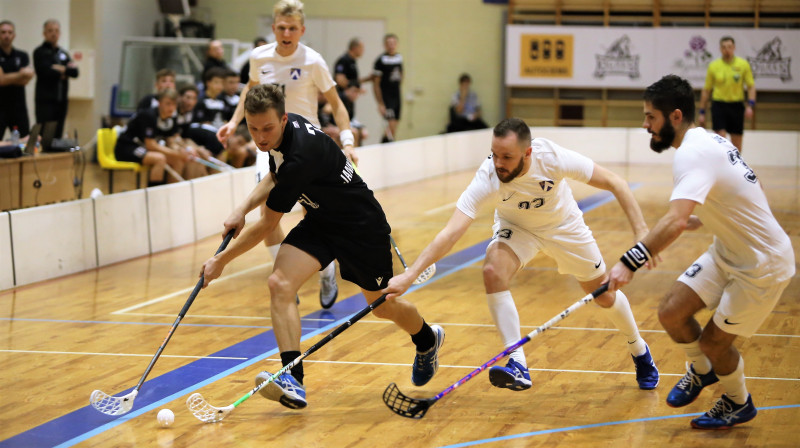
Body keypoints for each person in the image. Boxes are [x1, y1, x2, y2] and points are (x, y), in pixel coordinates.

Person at [200, 84, 444, 409]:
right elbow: (274, 175)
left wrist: (221, 261)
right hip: (321, 221)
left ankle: (428, 339)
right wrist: (239, 209)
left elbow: (268, 225)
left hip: (360, 228)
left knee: (383, 306)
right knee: (279, 283)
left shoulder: (302, 155)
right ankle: (293, 380)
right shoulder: (281, 136)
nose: (260, 137)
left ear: (283, 119)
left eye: (267, 128)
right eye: (254, 128)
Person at [383, 117, 659, 393]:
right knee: (492, 272)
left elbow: (615, 182)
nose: (498, 163)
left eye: (507, 157)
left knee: (604, 295)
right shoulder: (489, 175)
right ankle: (517, 363)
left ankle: (639, 350)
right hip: (516, 229)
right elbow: (451, 231)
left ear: (527, 153)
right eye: (495, 154)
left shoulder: (551, 158)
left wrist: (642, 233)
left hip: (564, 227)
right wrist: (411, 274)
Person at [608, 74, 794, 430]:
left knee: (713, 342)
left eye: (651, 117)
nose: (645, 125)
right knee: (671, 313)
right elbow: (734, 192)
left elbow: (675, 220)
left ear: (675, 116)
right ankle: (703, 372)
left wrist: (628, 262)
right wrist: (710, 217)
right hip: (727, 251)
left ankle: (737, 402)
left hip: (762, 266)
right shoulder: (707, 140)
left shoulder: (693, 152)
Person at [216, 0, 359, 310]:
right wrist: (233, 121)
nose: (286, 33)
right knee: (267, 218)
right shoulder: (259, 57)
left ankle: (327, 272)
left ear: (301, 30)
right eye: (281, 27)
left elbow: (336, 103)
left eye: (292, 28)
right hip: (269, 145)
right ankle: (285, 278)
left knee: (314, 215)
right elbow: (250, 93)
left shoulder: (313, 61)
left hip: (307, 148)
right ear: (273, 28)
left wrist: (347, 141)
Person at [114, 88, 192, 186]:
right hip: (127, 147)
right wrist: (176, 153)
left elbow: (171, 139)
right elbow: (151, 145)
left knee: (177, 161)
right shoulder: (149, 115)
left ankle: (171, 195)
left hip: (143, 147)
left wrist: (182, 150)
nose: (171, 108)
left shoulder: (170, 119)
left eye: (174, 104)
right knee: (159, 158)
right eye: (168, 104)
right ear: (159, 103)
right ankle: (154, 196)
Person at [698, 36, 755, 152]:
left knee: (737, 140)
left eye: (729, 47)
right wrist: (702, 111)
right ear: (720, 49)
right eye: (724, 47)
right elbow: (706, 90)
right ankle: (721, 165)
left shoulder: (743, 64)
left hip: (736, 106)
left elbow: (751, 86)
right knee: (720, 137)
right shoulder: (714, 66)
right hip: (719, 105)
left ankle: (736, 166)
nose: (727, 50)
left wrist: (750, 105)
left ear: (734, 48)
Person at [33, 19, 78, 138]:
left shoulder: (63, 53)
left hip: (61, 101)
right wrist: (64, 71)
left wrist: (60, 69)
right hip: (45, 102)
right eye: (50, 31)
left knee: (58, 134)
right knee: (44, 135)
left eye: (56, 31)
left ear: (60, 33)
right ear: (44, 33)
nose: (54, 33)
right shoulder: (39, 52)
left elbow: (75, 72)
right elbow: (44, 72)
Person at [0, 20, 34, 139]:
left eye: (10, 32)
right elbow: (1, 80)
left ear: (14, 35)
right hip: (1, 107)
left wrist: (8, 77)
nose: (7, 35)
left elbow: (27, 79)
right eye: (3, 32)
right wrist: (21, 74)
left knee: (24, 142)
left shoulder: (22, 55)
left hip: (18, 107)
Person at [334, 38, 371, 146]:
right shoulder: (344, 60)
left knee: (360, 132)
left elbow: (354, 81)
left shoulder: (353, 61)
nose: (363, 51)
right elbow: (340, 79)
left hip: (350, 103)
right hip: (342, 100)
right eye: (361, 48)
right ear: (355, 48)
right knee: (350, 132)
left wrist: (366, 79)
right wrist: (355, 89)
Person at [373, 33, 402, 143]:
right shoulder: (380, 60)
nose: (391, 45)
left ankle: (389, 148)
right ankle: (384, 147)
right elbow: (376, 83)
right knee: (390, 125)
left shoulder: (399, 57)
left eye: (393, 43)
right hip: (387, 97)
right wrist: (380, 103)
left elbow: (401, 75)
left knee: (394, 126)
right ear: (385, 45)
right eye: (389, 43)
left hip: (397, 96)